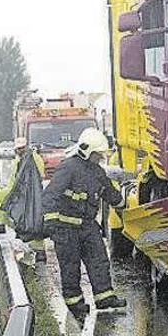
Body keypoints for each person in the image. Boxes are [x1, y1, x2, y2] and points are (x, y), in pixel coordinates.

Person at [42, 127, 126, 320]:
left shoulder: (96, 171)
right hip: (66, 228)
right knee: (70, 268)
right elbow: (50, 196)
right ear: (87, 151)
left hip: (88, 226)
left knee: (99, 261)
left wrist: (124, 204)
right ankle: (75, 306)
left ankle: (105, 298)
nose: (100, 158)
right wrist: (52, 225)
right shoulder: (68, 168)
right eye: (98, 155)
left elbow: (109, 192)